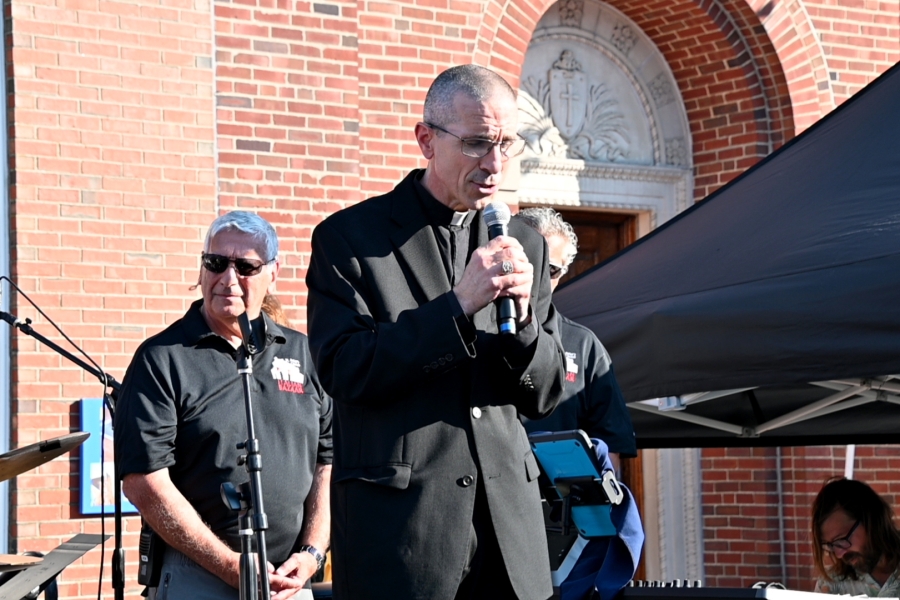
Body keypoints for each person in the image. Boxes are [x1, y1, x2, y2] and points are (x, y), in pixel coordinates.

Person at [306, 64, 567, 600]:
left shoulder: (525, 243)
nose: (494, 164)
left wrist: (522, 326)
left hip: (508, 540)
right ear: (426, 139)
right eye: (476, 144)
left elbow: (545, 394)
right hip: (404, 537)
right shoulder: (351, 238)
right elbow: (346, 370)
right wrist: (459, 306)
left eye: (506, 144)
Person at [114, 211, 333, 600]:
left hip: (289, 582)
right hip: (198, 577)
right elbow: (144, 482)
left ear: (272, 272)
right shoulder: (163, 359)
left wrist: (312, 553)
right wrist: (230, 565)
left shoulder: (304, 353)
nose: (228, 279)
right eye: (216, 263)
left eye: (246, 266)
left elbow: (328, 463)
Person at [517, 208, 636, 471]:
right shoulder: (469, 330)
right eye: (532, 262)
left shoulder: (584, 346)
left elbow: (609, 449)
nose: (539, 278)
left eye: (551, 269)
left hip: (557, 506)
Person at [812, 477, 900, 596]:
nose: (839, 554)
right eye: (831, 545)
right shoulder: (831, 586)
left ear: (871, 520)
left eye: (842, 539)